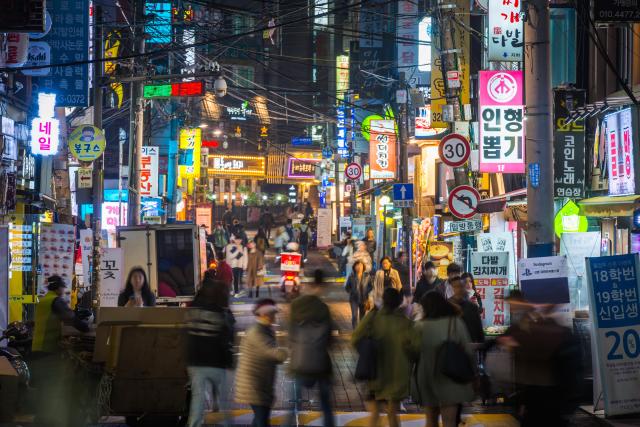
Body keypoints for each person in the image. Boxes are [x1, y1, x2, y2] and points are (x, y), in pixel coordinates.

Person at [498, 296, 582, 427]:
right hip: (549, 394)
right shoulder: (562, 333)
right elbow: (574, 371)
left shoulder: (544, 332)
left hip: (542, 393)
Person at [31, 275, 90, 427]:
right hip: (48, 351)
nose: (64, 290)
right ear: (58, 288)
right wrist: (86, 328)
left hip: (37, 349)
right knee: (53, 388)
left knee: (44, 389)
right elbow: (70, 317)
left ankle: (40, 421)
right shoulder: (56, 301)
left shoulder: (44, 300)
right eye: (63, 287)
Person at [411, 292, 474, 427]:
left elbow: (411, 353)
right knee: (450, 422)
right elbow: (468, 351)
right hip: (452, 376)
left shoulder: (419, 326)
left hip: (427, 377)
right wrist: (474, 374)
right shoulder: (456, 322)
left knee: (431, 421)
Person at [352, 288, 413, 427]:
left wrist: (365, 350)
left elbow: (355, 338)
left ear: (384, 301)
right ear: (399, 302)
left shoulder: (374, 318)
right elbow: (415, 347)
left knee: (374, 415)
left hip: (376, 374)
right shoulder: (405, 322)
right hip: (398, 376)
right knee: (393, 415)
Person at [286, 269, 335, 427]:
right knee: (326, 405)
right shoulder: (323, 308)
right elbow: (329, 338)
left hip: (299, 361)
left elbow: (291, 335)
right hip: (320, 363)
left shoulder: (296, 306)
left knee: (293, 405)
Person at [186, 279, 235, 427]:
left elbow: (187, 335)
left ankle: (194, 424)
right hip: (215, 363)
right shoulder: (220, 312)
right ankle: (223, 417)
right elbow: (226, 338)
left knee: (197, 398)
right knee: (224, 399)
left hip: (194, 362)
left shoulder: (192, 309)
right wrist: (229, 361)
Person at [235, 299, 288, 427]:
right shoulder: (257, 332)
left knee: (260, 420)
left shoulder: (265, 329)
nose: (274, 317)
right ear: (264, 315)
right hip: (254, 386)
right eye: (271, 314)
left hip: (261, 384)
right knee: (262, 421)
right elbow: (273, 353)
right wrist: (288, 351)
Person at [448, 276, 484, 345]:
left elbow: (479, 329)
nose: (458, 289)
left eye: (460, 286)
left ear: (464, 287)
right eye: (455, 287)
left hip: (470, 344)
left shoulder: (473, 307)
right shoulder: (447, 305)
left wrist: (482, 348)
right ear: (451, 288)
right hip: (452, 345)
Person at [345, 260, 372, 328]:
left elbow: (371, 286)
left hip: (364, 299)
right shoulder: (351, 276)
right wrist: (352, 291)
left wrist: (367, 291)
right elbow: (347, 287)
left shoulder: (367, 276)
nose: (359, 267)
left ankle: (361, 331)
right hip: (354, 299)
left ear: (363, 267)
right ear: (354, 267)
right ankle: (355, 330)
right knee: (354, 316)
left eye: (361, 265)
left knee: (362, 317)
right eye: (357, 265)